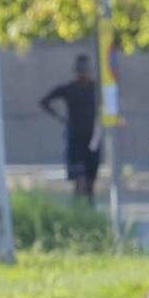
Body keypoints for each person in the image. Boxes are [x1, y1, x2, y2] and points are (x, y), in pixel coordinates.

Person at [40, 54, 100, 201]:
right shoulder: (69, 89)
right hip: (75, 138)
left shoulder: (95, 89)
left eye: (85, 70)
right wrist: (60, 118)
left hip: (92, 138)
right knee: (79, 179)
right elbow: (44, 101)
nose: (83, 73)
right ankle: (78, 211)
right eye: (80, 70)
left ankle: (90, 212)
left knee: (91, 181)